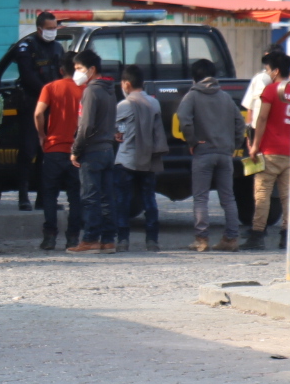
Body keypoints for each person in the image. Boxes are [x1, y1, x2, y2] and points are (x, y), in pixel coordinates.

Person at [0, 12, 70, 209]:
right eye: (49, 28)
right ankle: (23, 197)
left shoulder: (57, 47)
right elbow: (28, 76)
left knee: (47, 152)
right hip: (32, 103)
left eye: (54, 28)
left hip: (53, 106)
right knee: (28, 150)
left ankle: (44, 198)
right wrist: (50, 94)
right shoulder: (27, 46)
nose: (52, 32)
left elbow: (62, 73)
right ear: (39, 29)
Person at [176, 57, 245, 252]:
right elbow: (240, 122)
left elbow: (183, 118)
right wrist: (233, 144)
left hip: (203, 152)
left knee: (201, 198)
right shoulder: (224, 97)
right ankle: (231, 239)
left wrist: (193, 141)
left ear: (194, 78)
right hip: (225, 153)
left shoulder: (192, 96)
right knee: (228, 198)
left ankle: (201, 239)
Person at [246, 49, 290, 251]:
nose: (268, 73)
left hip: (270, 151)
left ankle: (257, 235)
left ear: (276, 70)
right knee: (288, 196)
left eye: (269, 69)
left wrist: (254, 146)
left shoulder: (271, 91)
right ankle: (287, 236)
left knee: (262, 194)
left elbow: (261, 118)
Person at [68, 48, 119, 253]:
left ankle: (90, 239)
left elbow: (86, 125)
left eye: (79, 68)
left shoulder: (91, 91)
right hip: (108, 149)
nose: (76, 73)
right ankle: (108, 240)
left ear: (91, 69)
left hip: (92, 151)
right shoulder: (109, 89)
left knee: (90, 197)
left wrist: (75, 149)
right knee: (107, 197)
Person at [32, 51, 85, 251]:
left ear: (61, 69)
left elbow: (38, 113)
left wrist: (41, 135)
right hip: (77, 150)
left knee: (50, 195)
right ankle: (73, 237)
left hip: (53, 148)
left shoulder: (50, 88)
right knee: (75, 197)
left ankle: (49, 237)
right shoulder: (84, 89)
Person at [113, 66, 167, 251]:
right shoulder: (154, 103)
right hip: (149, 159)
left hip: (127, 158)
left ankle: (123, 240)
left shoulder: (124, 105)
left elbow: (120, 131)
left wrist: (119, 134)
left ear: (126, 84)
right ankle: (152, 240)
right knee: (149, 199)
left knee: (123, 200)